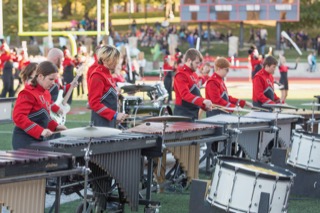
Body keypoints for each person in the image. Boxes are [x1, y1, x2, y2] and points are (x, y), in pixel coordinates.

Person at [12, 61, 67, 150]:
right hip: (24, 140)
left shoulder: (46, 94)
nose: (53, 83)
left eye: (55, 80)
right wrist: (40, 131)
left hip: (38, 139)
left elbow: (45, 117)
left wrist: (56, 126)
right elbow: (18, 117)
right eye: (51, 79)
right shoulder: (27, 93)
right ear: (40, 76)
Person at [87, 45, 128, 127]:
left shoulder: (107, 74)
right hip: (101, 123)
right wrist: (114, 115)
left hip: (108, 121)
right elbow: (94, 103)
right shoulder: (97, 76)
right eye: (113, 60)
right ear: (104, 60)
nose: (116, 63)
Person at [173, 48, 213, 120]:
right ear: (189, 60)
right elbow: (185, 95)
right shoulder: (181, 75)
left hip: (193, 114)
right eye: (196, 63)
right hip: (183, 115)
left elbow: (197, 94)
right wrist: (202, 101)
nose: (198, 66)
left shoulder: (194, 75)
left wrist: (204, 105)